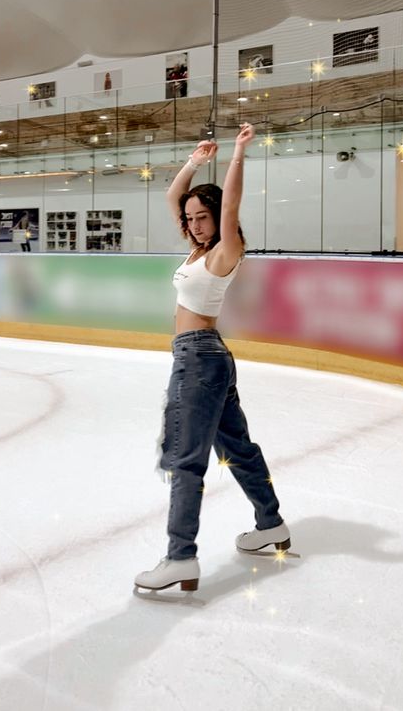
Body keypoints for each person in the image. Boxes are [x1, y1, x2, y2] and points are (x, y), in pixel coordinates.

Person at [135, 122, 289, 593]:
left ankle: (181, 556)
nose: (194, 223)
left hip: (199, 359)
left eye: (203, 216)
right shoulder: (196, 252)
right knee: (237, 450)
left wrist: (238, 152)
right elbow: (171, 199)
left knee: (185, 458)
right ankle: (272, 526)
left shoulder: (226, 250)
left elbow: (233, 204)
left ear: (216, 216)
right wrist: (194, 162)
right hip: (206, 358)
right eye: (191, 217)